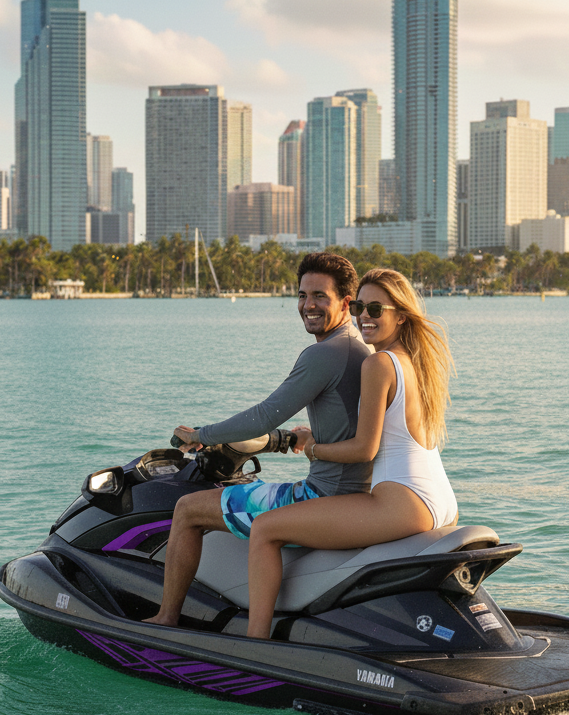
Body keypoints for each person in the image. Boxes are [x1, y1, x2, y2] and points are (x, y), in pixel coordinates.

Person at [144, 252, 373, 627]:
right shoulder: (357, 349)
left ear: (346, 303)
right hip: (349, 493)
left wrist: (200, 435)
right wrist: (307, 438)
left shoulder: (325, 353)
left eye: (319, 296)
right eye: (302, 295)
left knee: (187, 510)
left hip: (321, 496)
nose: (307, 305)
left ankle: (166, 619)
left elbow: (264, 416)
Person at [246, 267, 456, 639]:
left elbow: (364, 449)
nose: (364, 317)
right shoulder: (417, 362)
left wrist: (313, 448)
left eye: (376, 309)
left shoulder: (378, 363)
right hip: (440, 501)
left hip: (403, 504)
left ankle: (255, 644)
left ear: (401, 315)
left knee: (264, 529)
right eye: (359, 306)